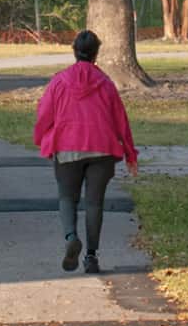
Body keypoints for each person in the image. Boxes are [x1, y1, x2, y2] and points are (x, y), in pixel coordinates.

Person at [33, 29, 138, 274]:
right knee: (94, 203)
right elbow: (121, 120)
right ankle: (91, 256)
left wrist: (40, 138)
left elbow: (44, 115)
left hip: (67, 146)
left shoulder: (59, 81)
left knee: (67, 197)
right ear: (96, 53)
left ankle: (71, 237)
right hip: (102, 148)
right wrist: (130, 154)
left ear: (74, 51)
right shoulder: (106, 83)